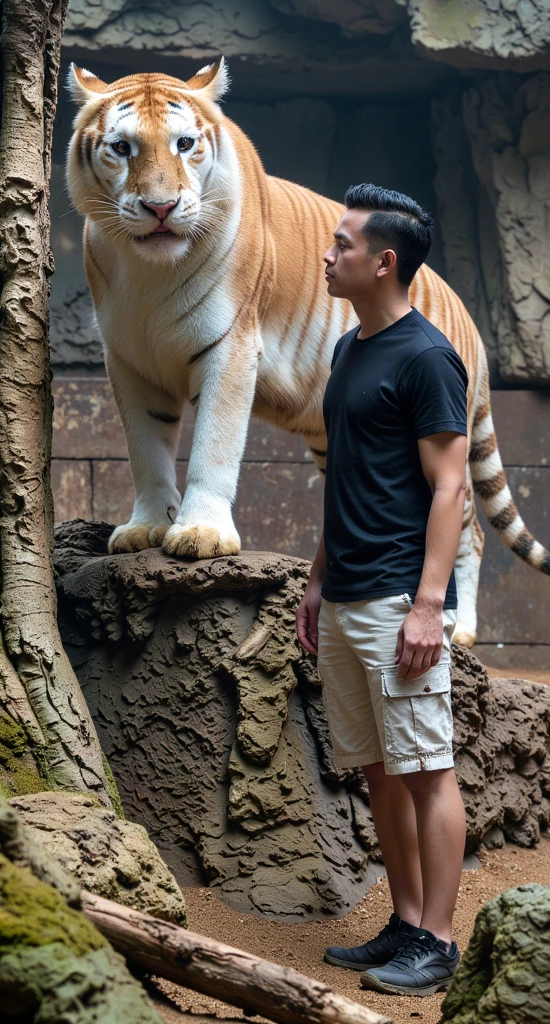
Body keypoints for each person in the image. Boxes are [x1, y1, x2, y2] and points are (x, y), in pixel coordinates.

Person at [296, 183, 468, 997]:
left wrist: (430, 603)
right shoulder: (347, 350)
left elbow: (451, 490)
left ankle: (438, 940)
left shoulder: (428, 357)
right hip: (346, 594)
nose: (328, 255)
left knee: (427, 768)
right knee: (376, 768)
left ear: (384, 262)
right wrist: (317, 579)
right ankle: (404, 921)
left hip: (401, 599)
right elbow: (347, 475)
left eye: (342, 245)